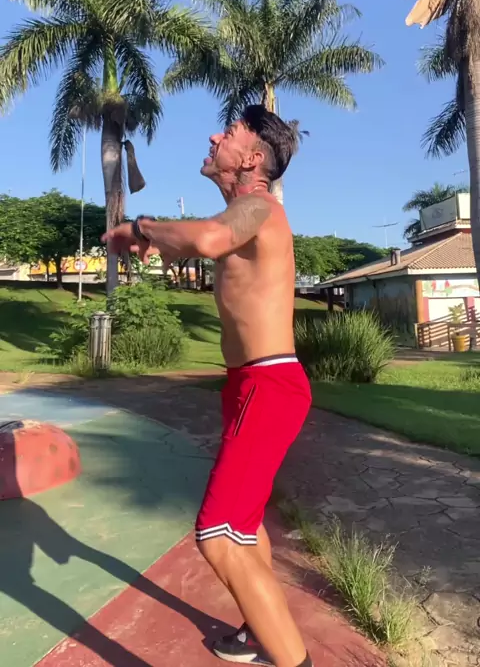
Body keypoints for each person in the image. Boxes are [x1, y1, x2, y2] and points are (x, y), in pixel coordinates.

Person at [103, 105, 313, 667]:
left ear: (251, 158)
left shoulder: (259, 208)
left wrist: (144, 227)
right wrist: (161, 240)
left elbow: (213, 237)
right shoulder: (245, 213)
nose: (215, 135)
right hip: (251, 384)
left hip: (268, 385)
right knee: (243, 525)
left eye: (232, 131)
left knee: (218, 535)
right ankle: (258, 632)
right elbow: (206, 237)